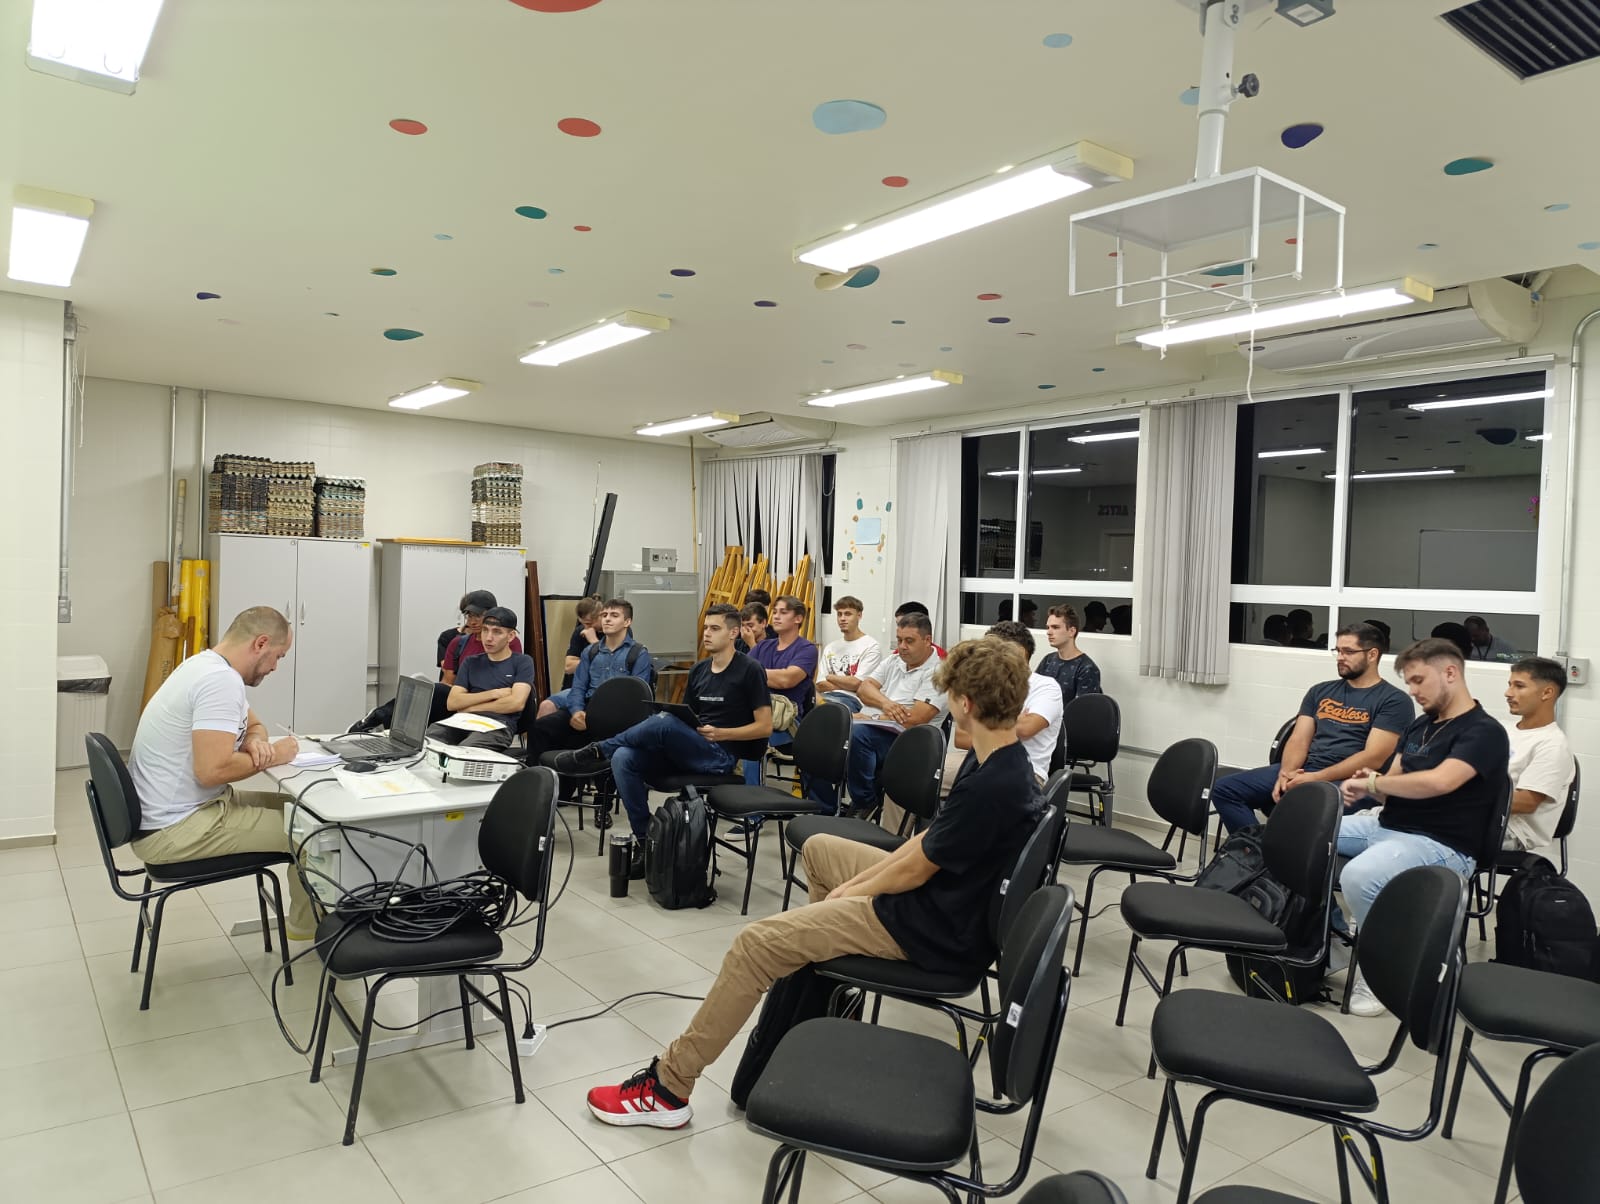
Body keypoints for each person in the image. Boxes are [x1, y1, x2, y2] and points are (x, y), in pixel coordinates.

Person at [584, 636, 1043, 1129]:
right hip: (941, 904)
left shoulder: (993, 784)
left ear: (965, 704)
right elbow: (929, 842)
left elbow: (917, 869)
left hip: (930, 929)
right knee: (822, 849)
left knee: (756, 944)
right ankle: (825, 991)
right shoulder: (999, 758)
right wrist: (852, 890)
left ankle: (668, 1087)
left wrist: (856, 893)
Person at [1337, 638, 1510, 1016]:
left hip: (1443, 845)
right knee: (1305, 835)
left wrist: (1375, 782)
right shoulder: (1420, 725)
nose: (1413, 691)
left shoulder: (1484, 732)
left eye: (1418, 681)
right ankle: (1330, 942)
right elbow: (1392, 787)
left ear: (1450, 673)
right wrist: (1373, 784)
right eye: (1409, 683)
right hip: (1388, 827)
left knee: (1360, 876)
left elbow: (1440, 782)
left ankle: (1381, 974)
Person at [127, 607, 315, 939]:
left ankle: (309, 920)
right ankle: (312, 931)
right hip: (177, 828)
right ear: (260, 643)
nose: (275, 667)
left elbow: (255, 725)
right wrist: (275, 755)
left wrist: (256, 742)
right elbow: (212, 771)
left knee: (304, 810)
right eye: (278, 656)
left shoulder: (204, 665)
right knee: (314, 835)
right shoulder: (219, 681)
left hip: (174, 814)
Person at [556, 604, 771, 872]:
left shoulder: (750, 669)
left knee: (664, 722)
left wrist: (722, 733)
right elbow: (688, 717)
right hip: (690, 748)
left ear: (733, 633)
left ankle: (599, 750)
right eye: (706, 627)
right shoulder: (699, 670)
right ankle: (647, 841)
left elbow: (764, 727)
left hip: (721, 755)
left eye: (715, 629)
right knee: (624, 757)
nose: (706, 633)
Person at [1212, 624, 1414, 835]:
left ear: (1372, 654)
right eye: (1338, 650)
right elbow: (1299, 739)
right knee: (1225, 790)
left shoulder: (1394, 701)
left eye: (1348, 651)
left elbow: (1374, 757)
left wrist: (1317, 777)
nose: (1340, 657)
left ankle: (1275, 850)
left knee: (1301, 808)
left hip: (1351, 781)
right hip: (1307, 769)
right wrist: (1287, 773)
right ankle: (1256, 848)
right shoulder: (1320, 691)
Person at [809, 611, 947, 816]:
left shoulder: (939, 672)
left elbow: (915, 719)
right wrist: (887, 704)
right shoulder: (893, 661)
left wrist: (873, 716)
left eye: (909, 641)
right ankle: (824, 807)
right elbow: (863, 689)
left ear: (928, 640)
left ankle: (865, 801)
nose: (902, 646)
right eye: (899, 640)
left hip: (908, 742)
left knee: (858, 736)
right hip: (874, 727)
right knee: (821, 732)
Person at [529, 598, 654, 789]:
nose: (607, 619)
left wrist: (602, 718)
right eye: (604, 615)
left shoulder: (638, 653)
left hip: (617, 715)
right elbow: (578, 687)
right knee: (541, 727)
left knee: (583, 741)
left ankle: (589, 791)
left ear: (627, 622)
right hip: (588, 708)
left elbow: (637, 696)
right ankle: (537, 785)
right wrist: (577, 711)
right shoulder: (590, 651)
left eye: (614, 615)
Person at [957, 621, 1061, 784]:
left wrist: (980, 725)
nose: (987, 659)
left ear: (1019, 652)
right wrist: (1012, 722)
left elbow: (1026, 729)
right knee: (923, 773)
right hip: (977, 762)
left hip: (1025, 772)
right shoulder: (986, 684)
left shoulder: (1046, 686)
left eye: (993, 651)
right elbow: (960, 736)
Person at [426, 607, 535, 750]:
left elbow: (515, 703)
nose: (488, 638)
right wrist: (494, 693)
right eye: (485, 630)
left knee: (465, 751)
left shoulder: (522, 662)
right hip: (463, 720)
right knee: (429, 741)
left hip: (497, 725)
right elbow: (453, 702)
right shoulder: (471, 662)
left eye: (497, 632)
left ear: (510, 636)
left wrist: (471, 707)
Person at [1502, 657, 1576, 853]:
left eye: (1519, 686)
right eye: (1510, 685)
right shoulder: (1501, 730)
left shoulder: (1553, 744)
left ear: (1547, 693)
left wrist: (1463, 798)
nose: (1508, 693)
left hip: (1510, 830)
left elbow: (1526, 803)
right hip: (1478, 816)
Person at [751, 595, 819, 734]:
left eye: (783, 612)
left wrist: (753, 674)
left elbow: (786, 679)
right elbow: (739, 672)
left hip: (784, 721)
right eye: (775, 612)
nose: (776, 616)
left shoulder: (807, 649)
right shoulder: (762, 646)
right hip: (753, 713)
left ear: (798, 618)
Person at [816, 594, 883, 713]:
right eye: (839, 614)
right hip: (824, 697)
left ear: (859, 615)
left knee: (827, 711)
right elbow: (820, 684)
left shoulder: (871, 646)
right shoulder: (830, 647)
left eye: (847, 614)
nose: (842, 618)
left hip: (851, 700)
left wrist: (830, 677)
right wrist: (848, 684)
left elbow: (858, 684)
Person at [441, 590, 524, 685]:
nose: (473, 622)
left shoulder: (509, 642)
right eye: (469, 616)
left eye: (478, 616)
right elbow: (448, 683)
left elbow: (512, 681)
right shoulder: (457, 644)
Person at [1035, 603, 1102, 708]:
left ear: (1071, 631)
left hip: (1068, 718)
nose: (1049, 632)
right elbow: (1033, 694)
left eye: (1055, 627)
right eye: (1048, 627)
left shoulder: (1086, 668)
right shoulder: (1048, 660)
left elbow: (1083, 711)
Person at [561, 595, 604, 689]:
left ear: (601, 615)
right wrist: (596, 662)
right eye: (582, 623)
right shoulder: (580, 631)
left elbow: (610, 663)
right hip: (576, 685)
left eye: (589, 623)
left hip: (599, 686)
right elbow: (569, 667)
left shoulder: (615, 632)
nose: (586, 627)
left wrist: (594, 642)